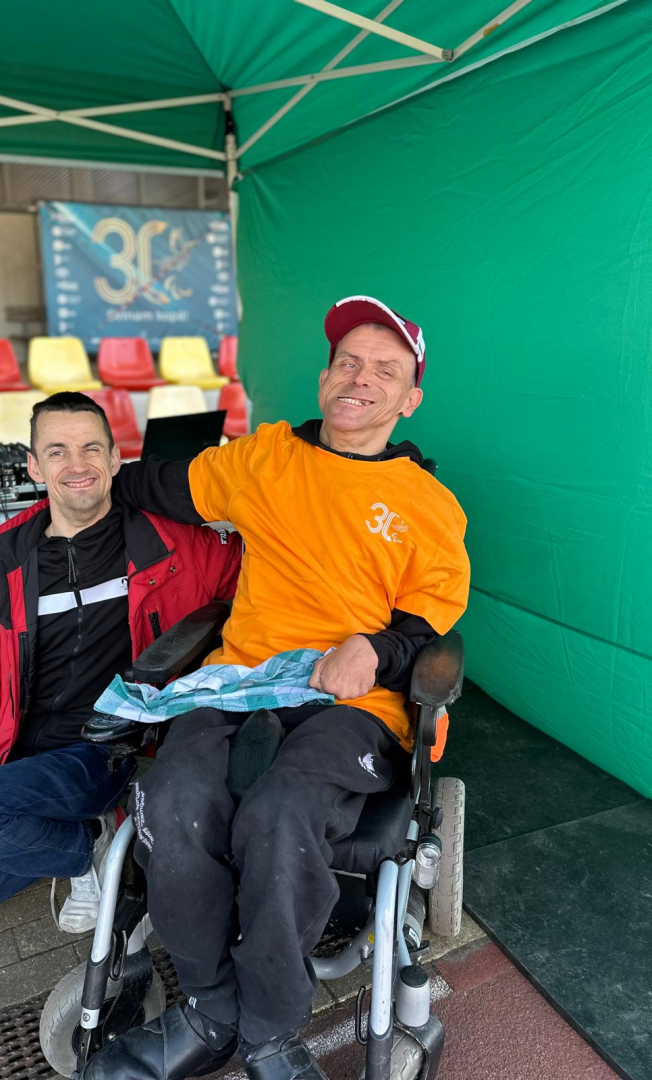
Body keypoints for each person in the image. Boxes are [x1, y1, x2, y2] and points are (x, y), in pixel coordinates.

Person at [83, 296, 471, 1080]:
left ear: (410, 398)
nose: (360, 379)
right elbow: (161, 485)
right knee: (174, 798)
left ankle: (269, 1029)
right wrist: (83, 482)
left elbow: (429, 622)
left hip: (354, 706)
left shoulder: (428, 505)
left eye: (384, 370)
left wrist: (375, 648)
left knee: (281, 813)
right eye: (348, 363)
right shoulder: (264, 460)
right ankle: (209, 1008)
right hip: (240, 684)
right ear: (325, 378)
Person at [0, 392, 241, 939]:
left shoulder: (173, 543)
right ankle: (86, 845)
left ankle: (67, 839)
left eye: (91, 449)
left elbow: (258, 575)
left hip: (104, 751)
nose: (77, 465)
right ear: (35, 467)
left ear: (115, 459)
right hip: (21, 759)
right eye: (57, 451)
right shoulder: (4, 563)